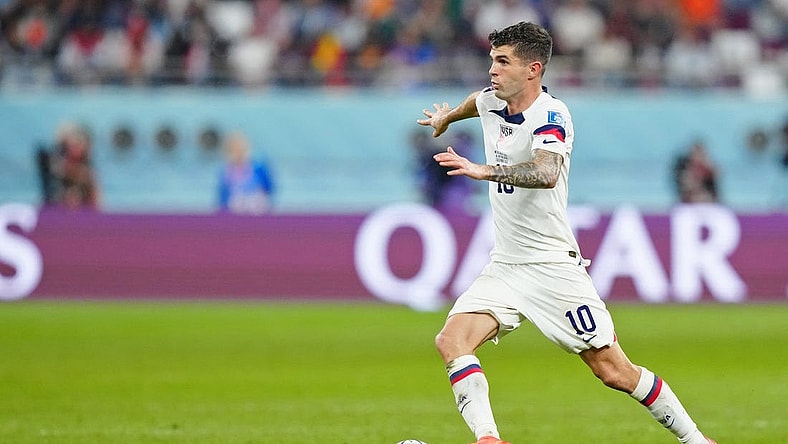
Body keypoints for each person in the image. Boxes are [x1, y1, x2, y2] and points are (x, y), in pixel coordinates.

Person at [416, 21, 716, 444]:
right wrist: (447, 117)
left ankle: (696, 440)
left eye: (503, 62)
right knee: (451, 341)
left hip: (553, 268)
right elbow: (476, 103)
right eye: (492, 61)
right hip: (505, 265)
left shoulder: (552, 115)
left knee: (613, 371)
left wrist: (482, 170)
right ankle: (488, 439)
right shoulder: (489, 101)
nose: (492, 71)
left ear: (533, 69)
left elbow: (546, 172)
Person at [218, 131, 275, 214]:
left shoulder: (258, 167)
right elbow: (223, 197)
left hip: (257, 209)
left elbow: (269, 187)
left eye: (240, 148)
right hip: (235, 211)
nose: (238, 152)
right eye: (234, 149)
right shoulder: (226, 172)